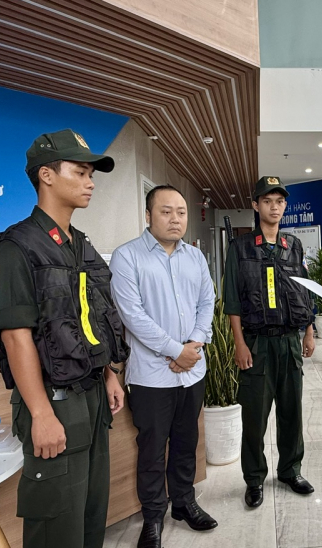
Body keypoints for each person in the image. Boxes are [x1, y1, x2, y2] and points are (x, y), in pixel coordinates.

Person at [0, 129, 130, 548]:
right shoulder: (17, 247)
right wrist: (42, 414)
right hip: (53, 402)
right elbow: (16, 339)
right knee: (56, 527)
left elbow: (89, 322)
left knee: (89, 515)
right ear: (46, 175)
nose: (90, 182)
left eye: (91, 174)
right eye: (81, 172)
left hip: (92, 397)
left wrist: (107, 375)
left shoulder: (78, 245)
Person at [109, 185, 217, 547]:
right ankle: (153, 517)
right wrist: (175, 351)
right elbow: (132, 316)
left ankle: (184, 503)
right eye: (166, 211)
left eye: (181, 212)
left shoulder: (195, 257)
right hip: (151, 377)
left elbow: (207, 301)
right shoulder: (127, 257)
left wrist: (194, 344)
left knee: (187, 443)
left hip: (193, 370)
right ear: (148, 215)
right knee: (153, 450)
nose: (175, 219)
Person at [223, 176, 316, 509]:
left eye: (279, 201)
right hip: (257, 343)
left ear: (284, 207)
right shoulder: (241, 247)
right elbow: (232, 299)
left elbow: (305, 291)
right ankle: (254, 479)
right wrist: (238, 343)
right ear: (256, 205)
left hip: (290, 341)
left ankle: (290, 471)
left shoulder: (294, 246)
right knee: (255, 416)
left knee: (292, 411)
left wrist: (309, 330)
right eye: (267, 201)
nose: (274, 207)